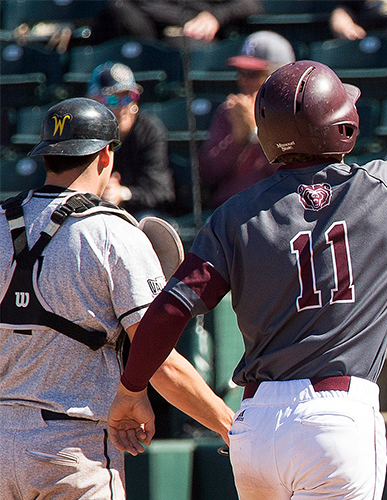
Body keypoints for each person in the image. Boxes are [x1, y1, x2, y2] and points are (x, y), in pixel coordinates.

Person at [107, 26, 387, 499]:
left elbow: (169, 310)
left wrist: (132, 389)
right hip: (335, 421)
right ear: (345, 125)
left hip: (256, 426)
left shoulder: (236, 214)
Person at [0, 98, 233, 499]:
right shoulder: (112, 230)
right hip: (72, 448)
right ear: (106, 155)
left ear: (47, 156)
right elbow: (159, 359)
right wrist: (231, 426)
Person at [199, 31, 296, 209]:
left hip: (276, 208)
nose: (243, 81)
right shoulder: (229, 111)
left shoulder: (293, 112)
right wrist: (238, 141)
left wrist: (255, 133)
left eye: (252, 74)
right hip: (228, 209)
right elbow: (207, 173)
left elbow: (293, 171)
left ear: (281, 75)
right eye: (240, 72)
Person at [87, 62, 175, 216]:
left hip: (135, 213)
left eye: (128, 98)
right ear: (95, 101)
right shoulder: (85, 131)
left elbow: (161, 190)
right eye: (113, 100)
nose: (123, 107)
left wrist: (123, 193)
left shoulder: (149, 130)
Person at [91, 0, 263, 43]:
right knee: (117, 10)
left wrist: (216, 16)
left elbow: (252, 5)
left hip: (195, 35)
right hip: (150, 34)